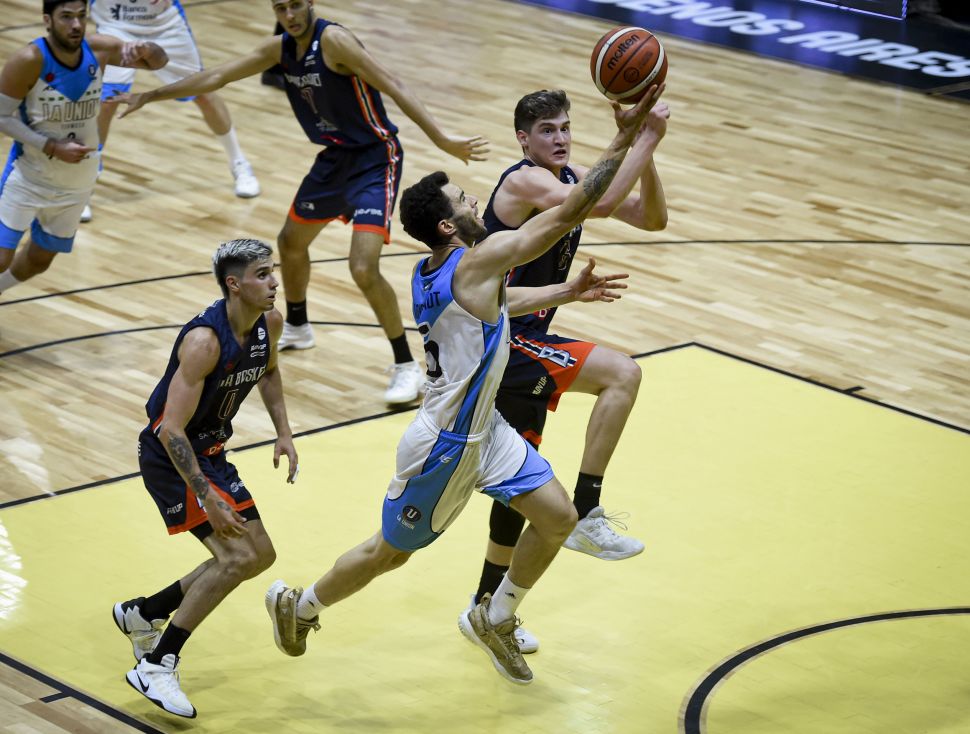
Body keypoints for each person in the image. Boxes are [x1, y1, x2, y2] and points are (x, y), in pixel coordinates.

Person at [263, 85, 664, 686]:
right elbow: (572, 211)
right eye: (463, 199)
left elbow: (499, 300)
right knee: (389, 553)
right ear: (449, 224)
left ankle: (493, 615)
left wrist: (566, 291)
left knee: (558, 519)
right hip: (445, 444)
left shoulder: (439, 269)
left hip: (487, 430)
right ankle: (301, 606)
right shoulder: (477, 261)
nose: (477, 198)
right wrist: (630, 134)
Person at [119, 0, 489, 405]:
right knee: (290, 242)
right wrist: (150, 95)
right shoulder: (279, 48)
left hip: (374, 158)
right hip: (333, 159)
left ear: (310, 3)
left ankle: (406, 365)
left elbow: (393, 83)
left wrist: (441, 138)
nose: (290, 15)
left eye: (296, 5)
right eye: (281, 8)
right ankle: (297, 325)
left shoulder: (334, 41)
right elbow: (217, 76)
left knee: (362, 267)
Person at [465, 89, 670, 652]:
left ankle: (484, 607)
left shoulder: (571, 178)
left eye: (565, 128)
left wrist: (647, 148)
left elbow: (652, 218)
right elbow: (596, 205)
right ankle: (586, 508)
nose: (560, 138)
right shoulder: (524, 182)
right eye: (547, 130)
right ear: (523, 139)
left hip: (524, 339)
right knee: (622, 374)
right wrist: (641, 135)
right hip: (505, 338)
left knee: (519, 486)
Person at [115, 239, 298, 718]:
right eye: (262, 274)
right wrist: (207, 497)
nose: (274, 282)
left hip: (212, 452)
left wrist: (284, 433)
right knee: (236, 556)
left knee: (260, 555)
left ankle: (145, 613)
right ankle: (157, 664)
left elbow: (269, 372)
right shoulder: (204, 342)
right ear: (234, 284)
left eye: (273, 271)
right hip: (171, 457)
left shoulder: (269, 323)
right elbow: (170, 429)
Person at [0, 0, 166, 297]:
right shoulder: (29, 59)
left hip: (78, 182)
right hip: (28, 176)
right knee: (1, 258)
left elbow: (158, 63)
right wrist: (50, 146)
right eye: (66, 17)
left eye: (81, 16)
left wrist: (148, 49)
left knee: (39, 260)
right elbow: (1, 116)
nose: (76, 25)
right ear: (47, 20)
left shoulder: (100, 48)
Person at [83, 0, 260, 224]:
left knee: (202, 91)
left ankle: (239, 163)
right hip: (114, 23)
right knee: (107, 100)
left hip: (164, 25)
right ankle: (83, 185)